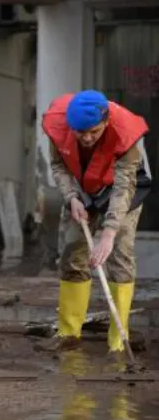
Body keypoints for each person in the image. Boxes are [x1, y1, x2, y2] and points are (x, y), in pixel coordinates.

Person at [38, 90, 151, 354]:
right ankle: (68, 333)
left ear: (106, 122)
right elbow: (58, 165)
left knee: (120, 256)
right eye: (81, 133)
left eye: (95, 131)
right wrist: (71, 197)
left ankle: (118, 340)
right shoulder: (58, 126)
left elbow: (125, 186)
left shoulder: (125, 133)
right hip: (81, 188)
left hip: (122, 188)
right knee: (73, 252)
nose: (87, 138)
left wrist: (109, 232)